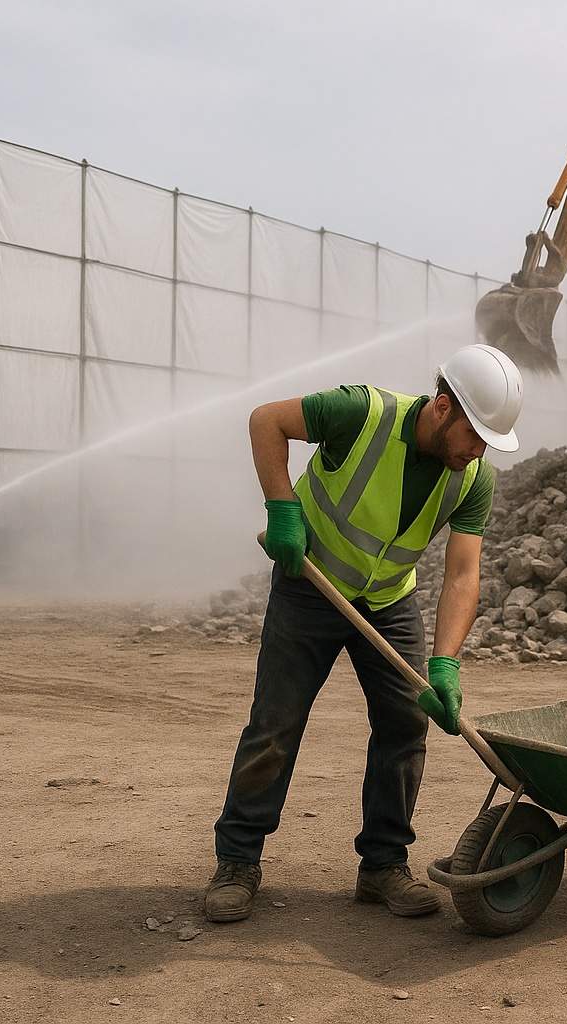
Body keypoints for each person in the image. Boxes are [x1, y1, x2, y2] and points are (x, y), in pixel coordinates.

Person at [204, 343, 523, 924]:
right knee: (275, 724)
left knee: (406, 724)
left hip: (388, 600)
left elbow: (462, 574)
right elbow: (266, 420)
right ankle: (238, 861)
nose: (480, 451)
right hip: (310, 584)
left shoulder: (472, 478)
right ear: (444, 407)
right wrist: (282, 508)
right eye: (476, 435)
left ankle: (382, 866)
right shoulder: (361, 413)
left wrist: (445, 663)